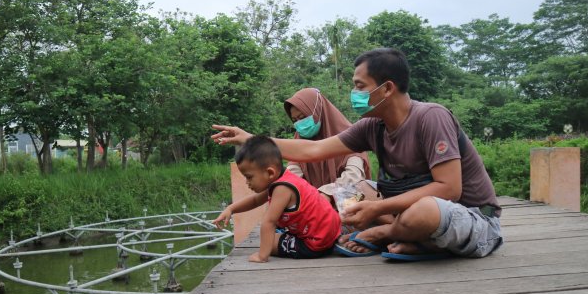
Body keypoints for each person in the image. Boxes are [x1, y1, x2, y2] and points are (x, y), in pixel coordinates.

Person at [212, 48, 503, 260]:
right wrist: (252, 139)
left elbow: (450, 188)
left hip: (472, 218)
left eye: (360, 86)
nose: (355, 93)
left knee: (425, 210)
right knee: (356, 190)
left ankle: (385, 235)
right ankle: (416, 240)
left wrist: (377, 214)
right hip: (410, 210)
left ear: (387, 88)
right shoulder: (372, 126)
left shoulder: (431, 117)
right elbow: (314, 149)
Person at [212, 135, 341, 263]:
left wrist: (262, 256)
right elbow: (256, 200)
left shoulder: (282, 188)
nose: (247, 182)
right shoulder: (285, 178)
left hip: (315, 244)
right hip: (331, 236)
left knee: (270, 242)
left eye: (249, 177)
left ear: (270, 173)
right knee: (271, 236)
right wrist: (231, 209)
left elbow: (269, 222)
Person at [284, 88, 371, 203]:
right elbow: (292, 176)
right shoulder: (299, 141)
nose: (299, 124)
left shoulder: (351, 137)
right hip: (313, 206)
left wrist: (326, 193)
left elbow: (353, 177)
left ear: (318, 111)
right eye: (295, 120)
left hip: (347, 205)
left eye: (303, 117)